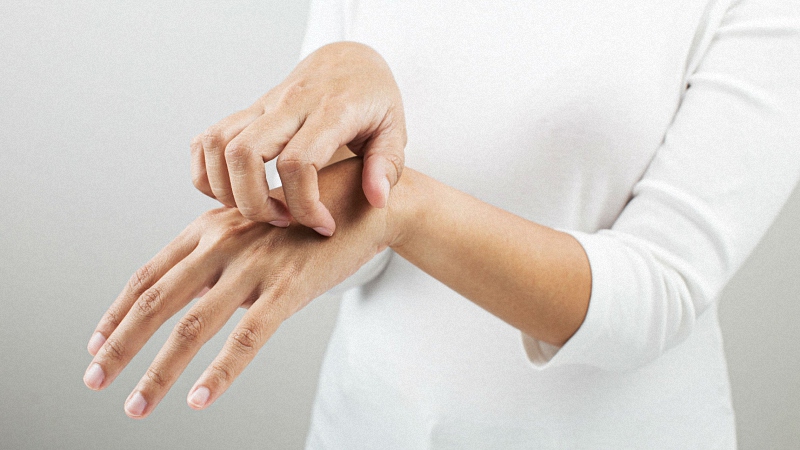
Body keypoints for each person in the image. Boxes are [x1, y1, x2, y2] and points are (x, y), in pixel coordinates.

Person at [83, 0, 800, 447]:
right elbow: (354, 254)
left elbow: (658, 292)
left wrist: (409, 211)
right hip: (369, 425)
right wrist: (337, 96)